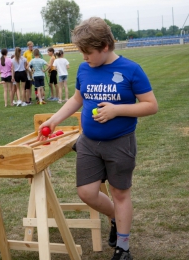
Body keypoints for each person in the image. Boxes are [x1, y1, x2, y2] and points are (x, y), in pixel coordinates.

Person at [38, 17, 158, 260]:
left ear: (105, 45)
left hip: (120, 142)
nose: (84, 58)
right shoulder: (85, 69)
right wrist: (54, 120)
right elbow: (77, 99)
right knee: (86, 192)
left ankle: (123, 248)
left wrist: (117, 109)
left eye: (87, 52)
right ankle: (116, 217)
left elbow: (150, 105)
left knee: (119, 193)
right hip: (89, 142)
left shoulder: (131, 70)